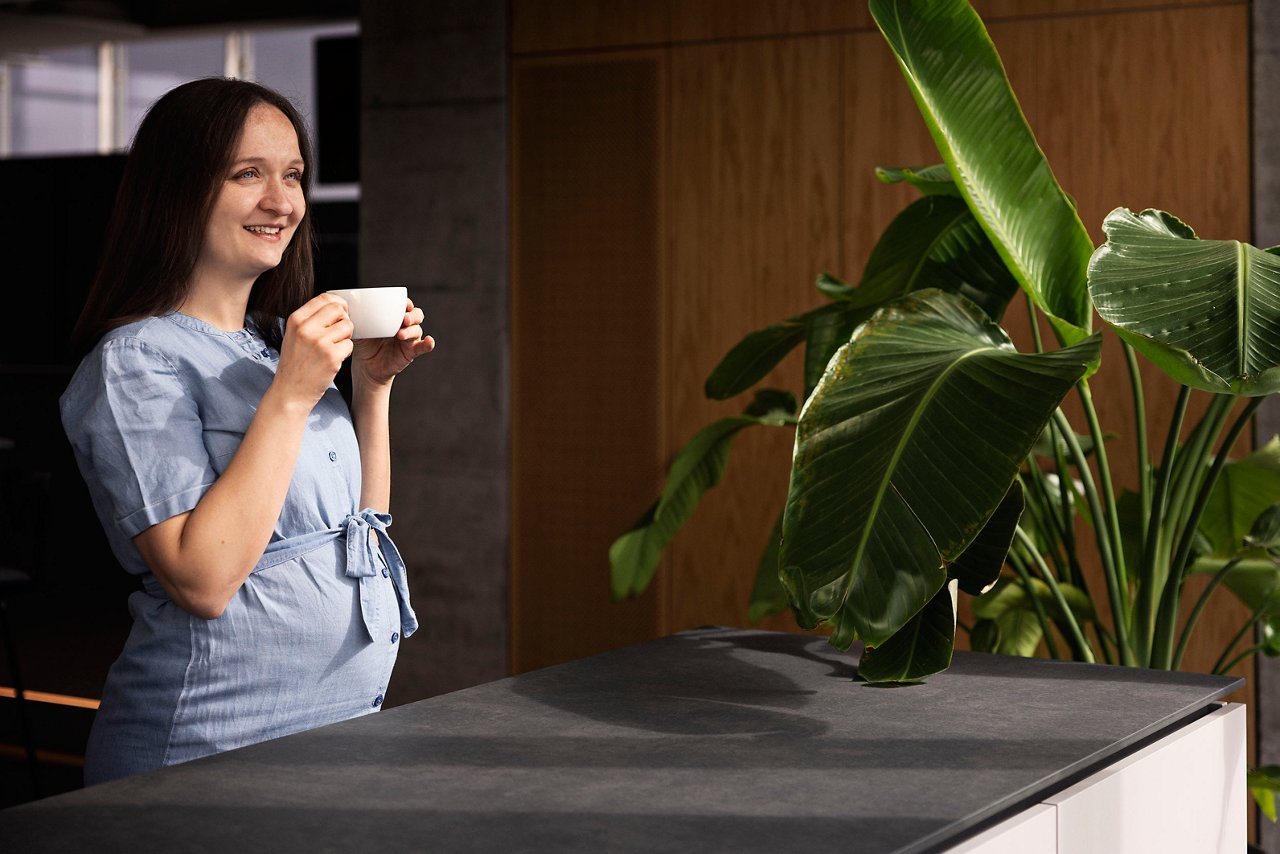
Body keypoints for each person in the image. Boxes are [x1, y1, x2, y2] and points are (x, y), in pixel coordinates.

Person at [59, 78, 435, 784]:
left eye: (292, 175)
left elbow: (361, 529)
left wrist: (370, 386)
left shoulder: (274, 347)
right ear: (178, 190)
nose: (282, 202)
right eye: (247, 175)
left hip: (333, 734)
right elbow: (200, 579)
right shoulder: (137, 360)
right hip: (204, 744)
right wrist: (292, 395)